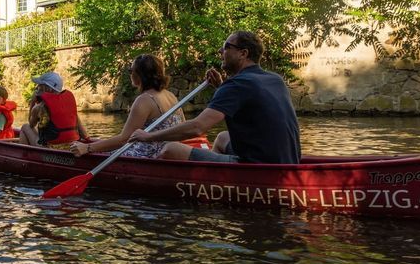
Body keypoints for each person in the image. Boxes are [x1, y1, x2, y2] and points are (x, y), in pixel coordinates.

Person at [129, 31, 301, 164]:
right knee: (222, 137)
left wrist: (148, 136)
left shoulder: (236, 85)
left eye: (227, 46)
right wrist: (221, 87)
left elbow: (197, 127)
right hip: (286, 159)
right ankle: (212, 175)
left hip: (259, 164)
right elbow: (246, 102)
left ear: (243, 53)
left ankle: (213, 181)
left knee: (170, 149)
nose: (221, 50)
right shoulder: (274, 79)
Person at [69, 54, 193, 159]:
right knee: (98, 141)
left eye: (131, 71)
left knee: (94, 149)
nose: (130, 74)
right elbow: (181, 129)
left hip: (146, 155)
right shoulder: (171, 96)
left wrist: (88, 147)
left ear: (140, 75)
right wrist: (97, 143)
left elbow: (124, 139)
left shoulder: (144, 100)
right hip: (166, 152)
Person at [18, 71, 90, 147]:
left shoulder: (39, 107)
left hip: (50, 147)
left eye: (39, 85)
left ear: (47, 88)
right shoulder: (68, 104)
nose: (37, 87)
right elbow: (83, 132)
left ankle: (24, 155)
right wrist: (89, 142)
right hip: (72, 145)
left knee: (25, 127)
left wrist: (32, 102)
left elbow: (31, 125)